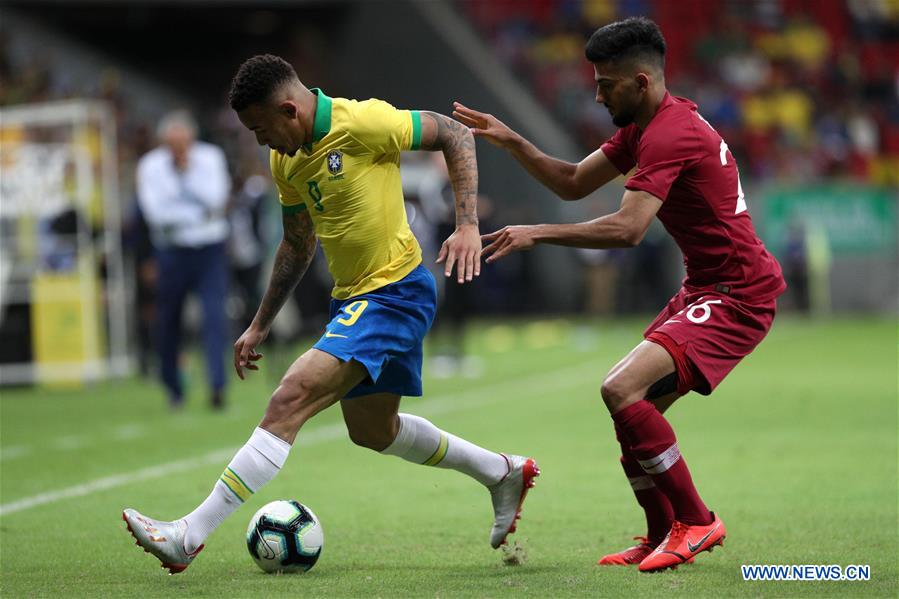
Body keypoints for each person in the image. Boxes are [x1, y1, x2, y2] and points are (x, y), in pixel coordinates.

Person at [123, 54, 539, 574]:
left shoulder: (363, 121)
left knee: (290, 397)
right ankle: (501, 472)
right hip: (354, 299)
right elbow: (298, 244)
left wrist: (467, 224)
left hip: (395, 292)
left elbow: (454, 133)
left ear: (289, 110)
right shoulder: (286, 160)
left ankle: (188, 535)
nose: (260, 142)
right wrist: (260, 322)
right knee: (374, 431)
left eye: (260, 129)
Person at [453, 17, 785, 572]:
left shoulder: (670, 133)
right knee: (633, 407)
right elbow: (572, 182)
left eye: (606, 84)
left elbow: (629, 229)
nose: (598, 95)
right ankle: (661, 533)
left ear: (641, 81)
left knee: (622, 389)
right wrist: (512, 141)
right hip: (706, 287)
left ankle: (697, 521)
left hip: (738, 293)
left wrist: (538, 233)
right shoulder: (644, 128)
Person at [136, 110, 231, 410]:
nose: (178, 150)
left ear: (191, 139)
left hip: (209, 249)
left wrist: (185, 175)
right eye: (172, 144)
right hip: (171, 252)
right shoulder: (150, 166)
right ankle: (173, 388)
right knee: (168, 321)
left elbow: (216, 201)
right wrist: (195, 215)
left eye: (182, 143)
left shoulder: (210, 158)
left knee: (214, 316)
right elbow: (156, 215)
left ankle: (217, 386)